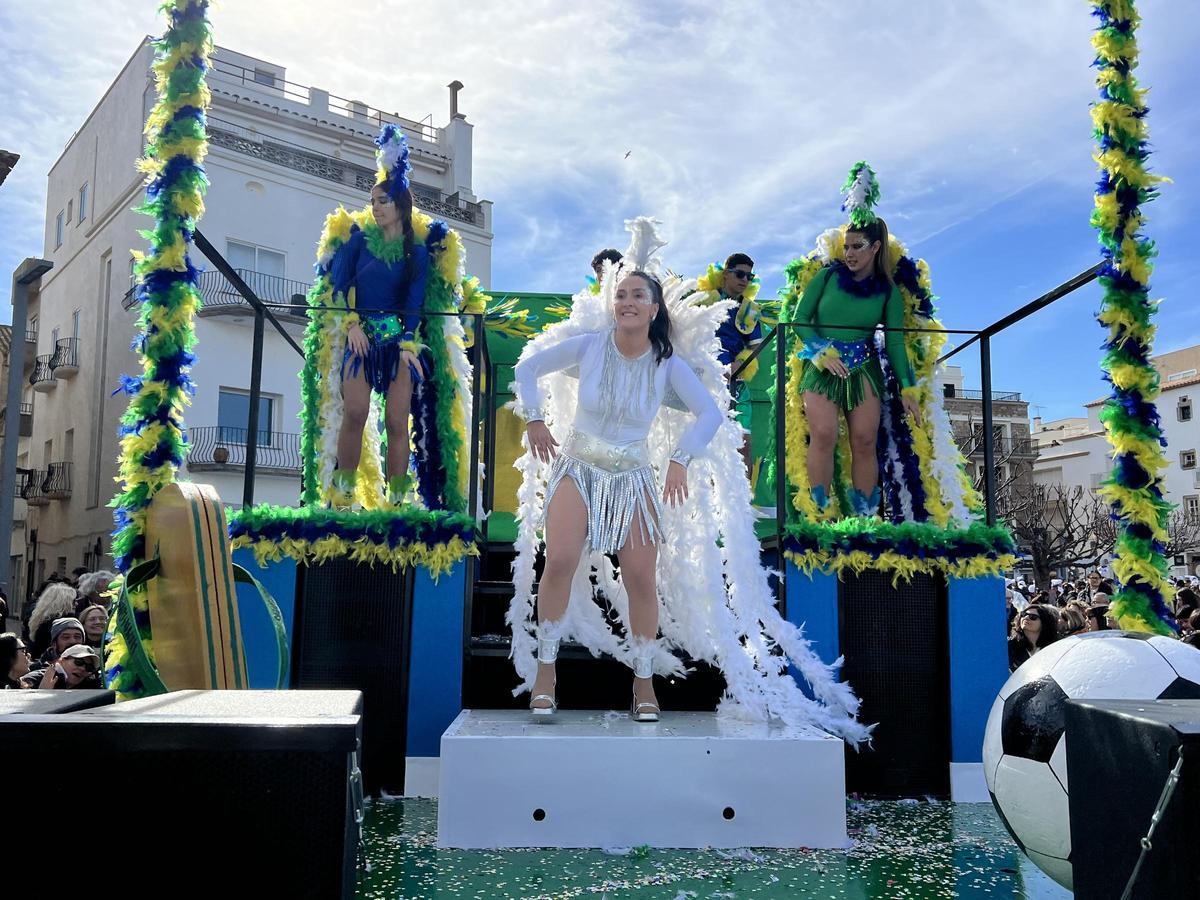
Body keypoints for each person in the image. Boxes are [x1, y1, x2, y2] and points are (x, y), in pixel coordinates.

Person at [514, 264, 721, 721]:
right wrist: (534, 418)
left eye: (637, 295)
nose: (627, 302)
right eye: (621, 294)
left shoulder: (668, 364)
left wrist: (680, 460)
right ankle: (545, 675)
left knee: (641, 578)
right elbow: (527, 367)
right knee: (560, 561)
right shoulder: (589, 346)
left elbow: (710, 413)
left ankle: (643, 683)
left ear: (654, 309)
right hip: (578, 467)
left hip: (633, 477)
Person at [308, 123, 470, 511]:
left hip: (398, 341)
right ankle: (343, 494)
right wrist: (351, 326)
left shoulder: (417, 252)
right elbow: (338, 286)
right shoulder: (357, 241)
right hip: (361, 338)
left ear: (399, 205)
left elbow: (414, 304)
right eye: (372, 201)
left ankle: (398, 500)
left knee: (398, 421)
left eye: (382, 201)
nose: (375, 207)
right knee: (355, 411)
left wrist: (408, 342)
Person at [794, 213, 920, 517]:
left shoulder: (887, 292)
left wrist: (907, 388)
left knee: (864, 440)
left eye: (857, 246)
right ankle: (819, 514)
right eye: (846, 247)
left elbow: (894, 343)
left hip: (864, 366)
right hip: (823, 365)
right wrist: (820, 352)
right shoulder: (827, 277)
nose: (849, 253)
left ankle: (865, 516)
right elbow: (799, 320)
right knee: (824, 434)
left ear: (875, 247)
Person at [26, 584, 80, 659]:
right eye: (73, 601)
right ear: (63, 602)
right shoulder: (60, 623)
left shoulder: (42, 620)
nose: (77, 604)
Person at [20, 644, 102, 690]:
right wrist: (41, 694)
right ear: (62, 660)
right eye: (79, 662)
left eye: (89, 668)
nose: (83, 669)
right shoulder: (36, 678)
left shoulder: (87, 688)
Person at [1009, 604, 1060, 672]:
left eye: (1033, 617)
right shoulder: (1010, 646)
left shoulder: (1056, 646)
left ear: (1044, 623)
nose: (1026, 618)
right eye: (1024, 614)